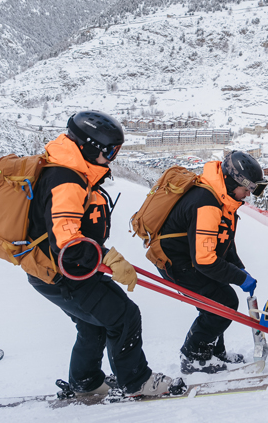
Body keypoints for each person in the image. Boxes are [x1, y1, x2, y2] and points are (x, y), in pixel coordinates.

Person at [27, 110, 184, 398]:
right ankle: (137, 382)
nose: (113, 158)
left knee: (93, 324)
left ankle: (85, 383)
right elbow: (68, 242)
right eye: (110, 151)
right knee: (124, 316)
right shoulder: (66, 180)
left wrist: (101, 258)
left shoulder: (72, 172)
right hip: (65, 273)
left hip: (62, 271)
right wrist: (108, 257)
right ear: (89, 146)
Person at [156, 151, 266, 374]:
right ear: (230, 180)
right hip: (178, 263)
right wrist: (238, 277)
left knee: (217, 300)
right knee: (223, 302)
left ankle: (214, 351)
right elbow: (205, 260)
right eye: (246, 189)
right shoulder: (207, 203)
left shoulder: (223, 198)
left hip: (192, 258)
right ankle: (194, 357)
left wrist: (238, 268)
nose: (247, 195)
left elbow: (224, 240)